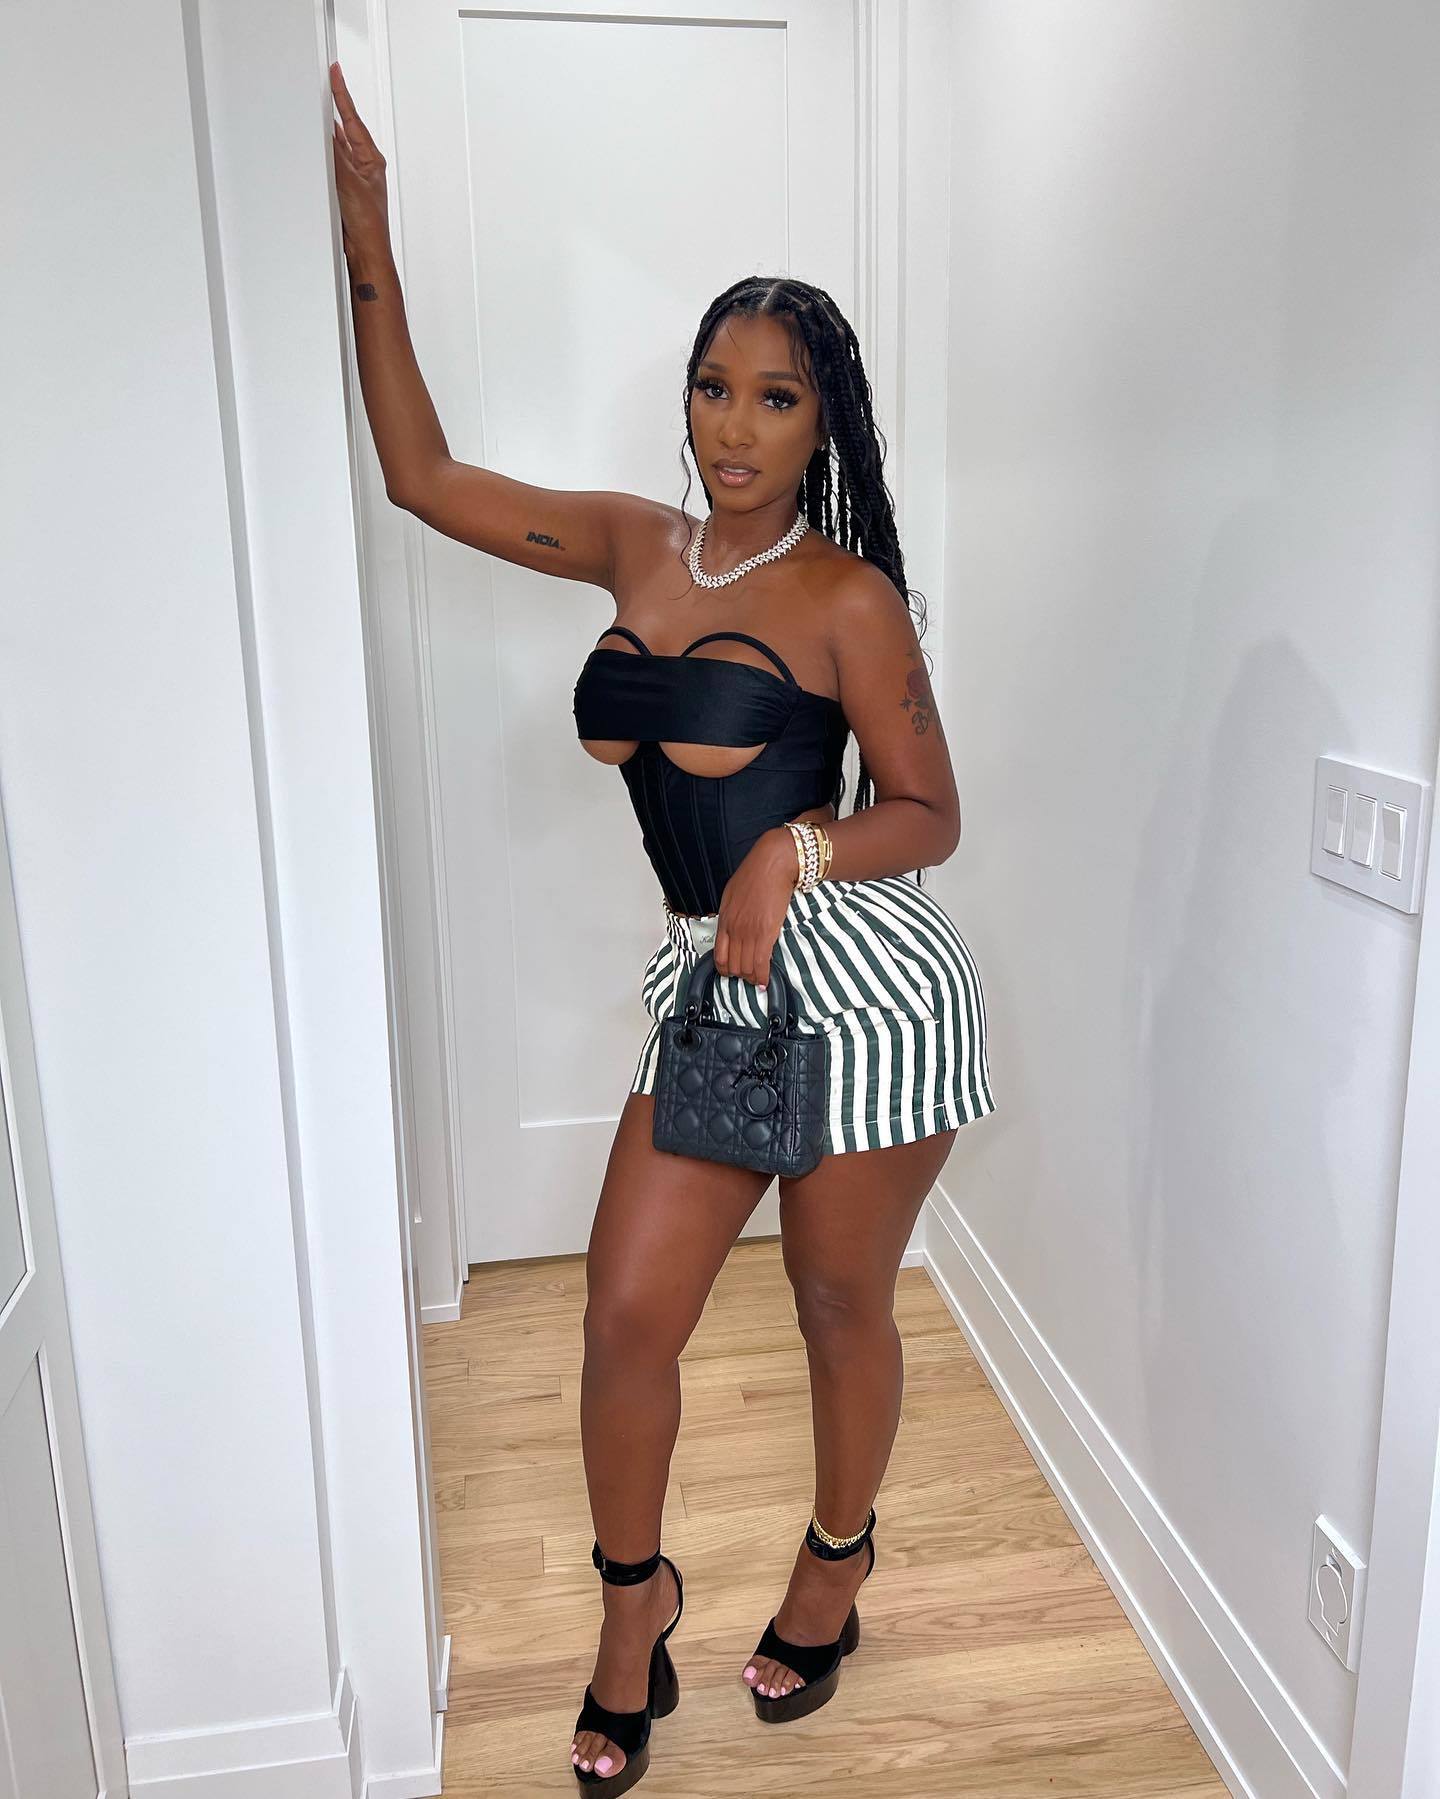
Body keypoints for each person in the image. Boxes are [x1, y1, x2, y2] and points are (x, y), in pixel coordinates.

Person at [331, 60, 996, 1796]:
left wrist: (797, 846)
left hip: (866, 990)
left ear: (824, 427)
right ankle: (637, 1605)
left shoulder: (849, 598)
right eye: (713, 388)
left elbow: (932, 812)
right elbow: (421, 477)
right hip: (717, 985)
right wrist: (368, 240)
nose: (734, 428)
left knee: (839, 1302)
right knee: (626, 1315)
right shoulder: (638, 547)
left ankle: (835, 1565)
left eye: (775, 399)